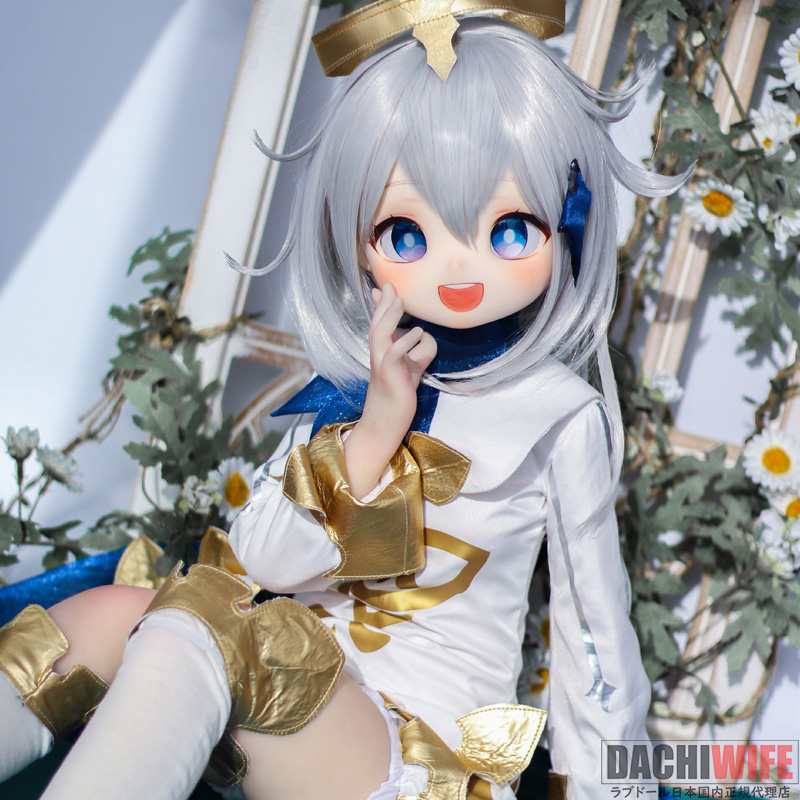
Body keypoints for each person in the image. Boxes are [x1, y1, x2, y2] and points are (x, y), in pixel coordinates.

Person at [0, 2, 685, 798]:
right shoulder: (358, 382)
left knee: (215, 617)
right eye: (407, 235)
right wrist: (373, 434)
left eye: (508, 229)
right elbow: (259, 561)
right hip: (285, 699)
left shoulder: (559, 413)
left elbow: (594, 637)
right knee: (108, 616)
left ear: (565, 223)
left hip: (412, 756)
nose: (457, 268)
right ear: (358, 240)